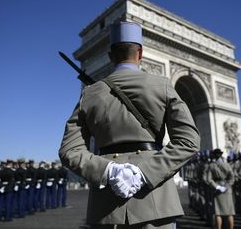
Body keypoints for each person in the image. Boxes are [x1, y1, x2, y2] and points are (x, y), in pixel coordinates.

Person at [59, 21, 200, 228]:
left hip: (106, 206)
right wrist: (144, 173)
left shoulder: (89, 94)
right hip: (156, 201)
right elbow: (189, 142)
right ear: (140, 53)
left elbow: (69, 151)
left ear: (109, 56)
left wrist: (109, 171)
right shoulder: (163, 86)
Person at [206, 148, 235, 229]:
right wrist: (227, 186)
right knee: (229, 212)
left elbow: (209, 179)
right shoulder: (227, 164)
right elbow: (232, 177)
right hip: (227, 189)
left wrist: (217, 186)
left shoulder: (211, 165)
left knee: (218, 213)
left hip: (217, 189)